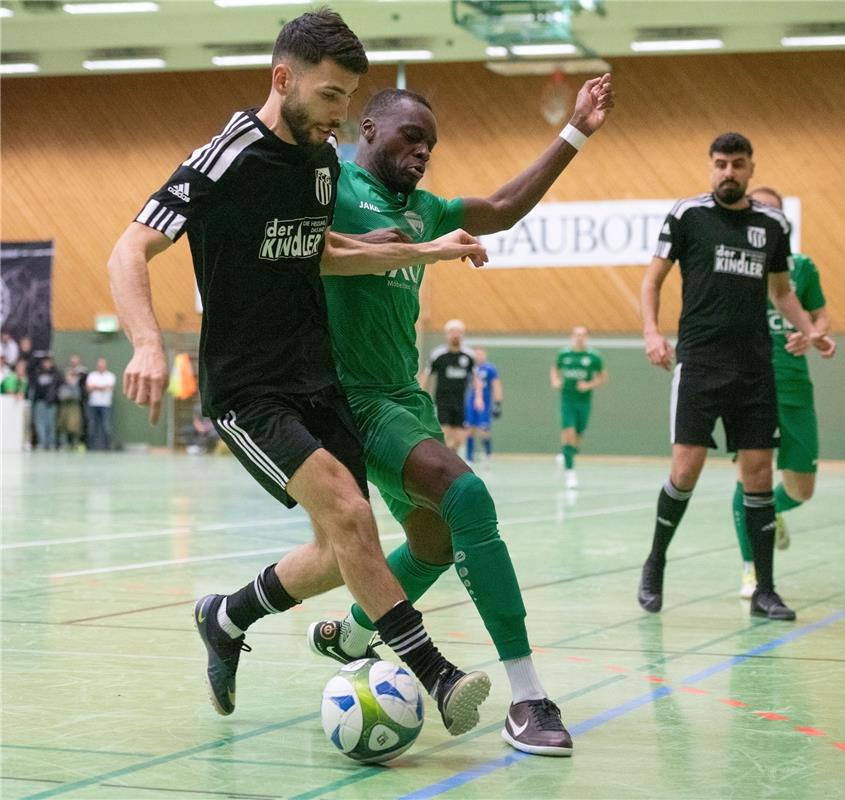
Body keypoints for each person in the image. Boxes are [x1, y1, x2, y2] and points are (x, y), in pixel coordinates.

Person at [107, 9, 493, 735]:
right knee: (350, 514)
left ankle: (225, 616)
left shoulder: (319, 162)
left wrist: (427, 251)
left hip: (316, 376)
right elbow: (127, 252)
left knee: (341, 547)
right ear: (283, 79)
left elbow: (319, 252)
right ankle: (437, 676)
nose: (341, 117)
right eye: (329, 96)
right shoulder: (226, 158)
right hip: (248, 387)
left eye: (349, 99)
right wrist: (147, 345)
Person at [311, 74, 614, 757]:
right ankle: (529, 696)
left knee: (433, 545)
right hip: (350, 399)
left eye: (432, 144)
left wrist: (576, 132)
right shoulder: (330, 188)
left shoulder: (426, 208)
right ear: (369, 132)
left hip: (402, 396)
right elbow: (304, 253)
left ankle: (355, 632)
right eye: (410, 137)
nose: (423, 152)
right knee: (466, 493)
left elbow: (505, 204)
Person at [638, 132, 832, 622]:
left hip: (754, 369)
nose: (729, 172)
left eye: (738, 164)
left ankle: (766, 589)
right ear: (711, 166)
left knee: (760, 476)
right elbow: (653, 279)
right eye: (721, 163)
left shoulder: (772, 224)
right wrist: (651, 333)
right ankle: (655, 563)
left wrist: (811, 331)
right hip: (700, 364)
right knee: (685, 471)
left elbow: (783, 291)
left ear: (750, 168)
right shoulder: (688, 216)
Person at [732, 186, 837, 598]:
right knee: (749, 477)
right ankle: (751, 570)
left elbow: (821, 317)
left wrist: (813, 336)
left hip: (794, 386)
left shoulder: (803, 267)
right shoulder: (735, 264)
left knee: (801, 488)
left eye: (774, 213)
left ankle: (770, 514)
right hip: (748, 383)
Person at [549, 325, 607, 489]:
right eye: (576, 334)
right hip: (567, 400)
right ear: (572, 336)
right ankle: (570, 473)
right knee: (569, 432)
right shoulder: (564, 354)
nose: (579, 337)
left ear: (587, 337)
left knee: (578, 435)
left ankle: (567, 454)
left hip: (584, 401)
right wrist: (555, 381)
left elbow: (602, 378)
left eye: (583, 335)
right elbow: (555, 369)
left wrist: (589, 385)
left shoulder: (593, 356)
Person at [420, 320, 480, 454]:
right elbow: (427, 374)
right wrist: (420, 394)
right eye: (452, 332)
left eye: (458, 332)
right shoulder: (438, 354)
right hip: (442, 402)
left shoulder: (469, 355)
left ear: (462, 335)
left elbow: (476, 377)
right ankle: (444, 465)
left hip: (460, 402)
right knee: (444, 437)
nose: (455, 335)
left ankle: (452, 462)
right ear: (446, 335)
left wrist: (478, 397)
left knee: (459, 440)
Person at [465, 347, 502, 464]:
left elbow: (496, 385)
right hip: (470, 403)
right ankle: (469, 457)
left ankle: (488, 454)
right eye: (477, 354)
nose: (479, 356)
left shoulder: (490, 369)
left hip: (485, 403)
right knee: (469, 429)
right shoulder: (469, 368)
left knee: (483, 431)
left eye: (481, 354)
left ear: (485, 355)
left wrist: (498, 403)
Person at [29, 356, 61, 450]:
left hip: (51, 403)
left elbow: (59, 386)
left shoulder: (56, 374)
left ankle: (51, 443)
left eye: (49, 362)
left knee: (51, 423)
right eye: (45, 362)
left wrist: (53, 398)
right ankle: (42, 443)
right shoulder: (37, 373)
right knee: (40, 424)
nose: (47, 364)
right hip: (40, 402)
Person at [85, 357, 116, 450]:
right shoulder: (92, 375)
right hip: (93, 404)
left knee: (106, 426)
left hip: (106, 405)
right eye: (99, 365)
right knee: (92, 426)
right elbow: (88, 388)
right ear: (97, 366)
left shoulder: (110, 376)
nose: (101, 367)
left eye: (103, 365)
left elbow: (109, 388)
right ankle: (90, 447)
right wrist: (102, 387)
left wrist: (95, 387)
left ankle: (107, 447)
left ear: (105, 366)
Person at [56, 368, 85, 449]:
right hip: (64, 409)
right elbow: (61, 396)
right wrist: (69, 395)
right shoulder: (62, 386)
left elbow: (77, 397)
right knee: (63, 427)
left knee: (75, 427)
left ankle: (75, 444)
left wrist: (72, 388)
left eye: (72, 376)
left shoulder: (77, 387)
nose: (70, 378)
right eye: (69, 376)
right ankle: (64, 444)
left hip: (74, 410)